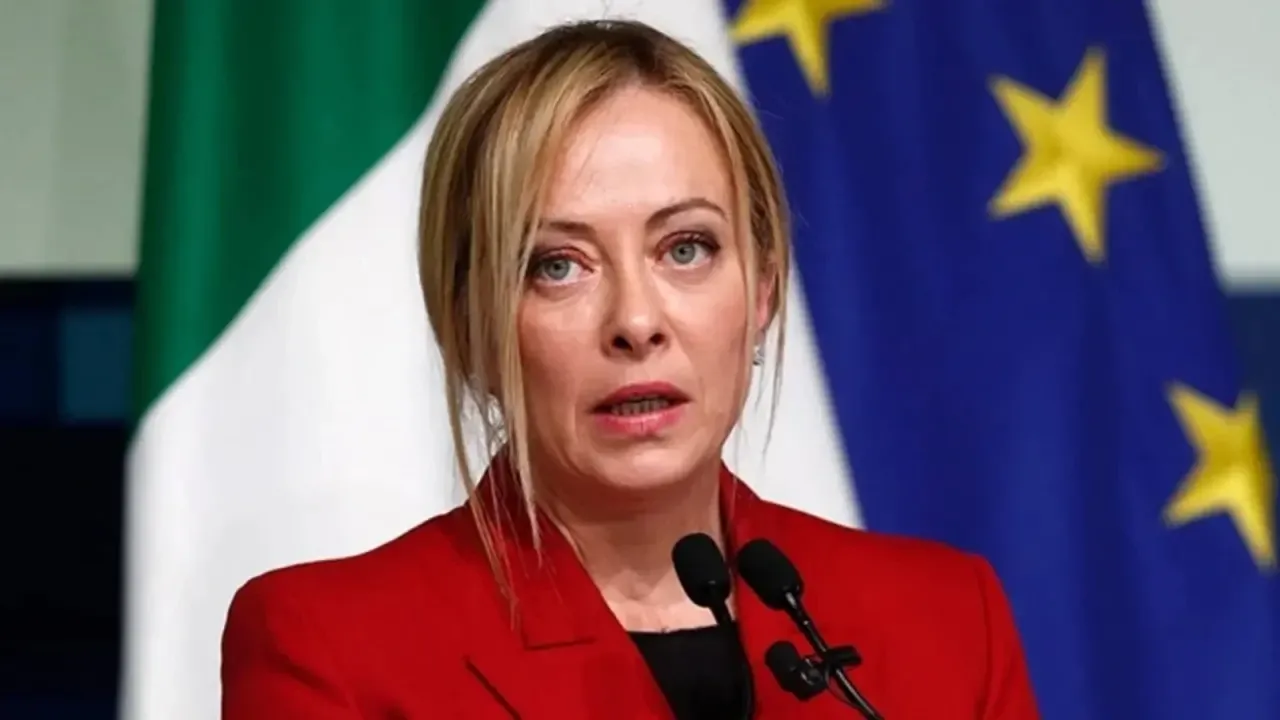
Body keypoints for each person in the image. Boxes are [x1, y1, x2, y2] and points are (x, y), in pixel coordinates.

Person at [220, 18, 1039, 719]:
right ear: (466, 326)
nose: (637, 323)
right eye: (557, 265)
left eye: (686, 248)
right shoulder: (329, 646)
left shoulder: (948, 621)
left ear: (762, 288)